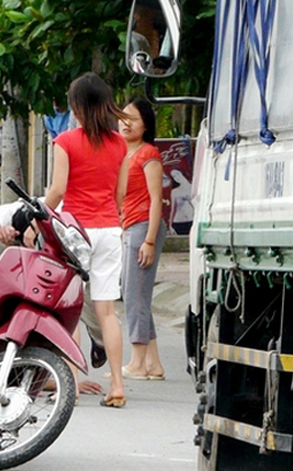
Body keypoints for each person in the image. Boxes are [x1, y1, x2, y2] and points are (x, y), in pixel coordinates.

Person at [44, 72, 130, 408]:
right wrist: (110, 214)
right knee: (106, 311)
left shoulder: (65, 141)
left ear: (76, 106)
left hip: (75, 231)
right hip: (109, 229)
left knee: (71, 310)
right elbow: (120, 193)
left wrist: (40, 217)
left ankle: (73, 383)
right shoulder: (119, 144)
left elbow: (58, 190)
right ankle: (118, 385)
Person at [0, 202, 105, 395]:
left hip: (70, 274)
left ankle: (82, 362)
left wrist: (70, 381)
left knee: (88, 314)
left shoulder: (62, 217)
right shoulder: (19, 210)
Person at [118, 96, 167, 381]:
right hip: (129, 226)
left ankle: (137, 362)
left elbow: (156, 199)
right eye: (123, 117)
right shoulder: (122, 153)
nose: (126, 123)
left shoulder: (148, 154)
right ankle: (153, 363)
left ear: (146, 124)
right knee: (138, 295)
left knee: (134, 295)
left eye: (133, 119)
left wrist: (149, 240)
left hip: (143, 226)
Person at [169, 169, 193, 235]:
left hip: (191, 220)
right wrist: (170, 225)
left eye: (177, 174)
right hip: (178, 222)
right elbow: (173, 209)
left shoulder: (193, 188)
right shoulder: (175, 191)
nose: (177, 178)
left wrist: (189, 199)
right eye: (174, 176)